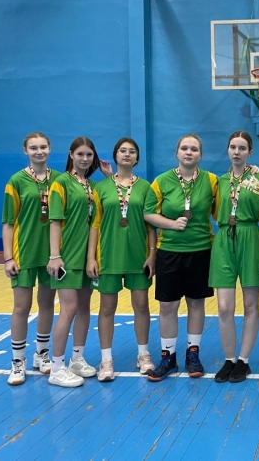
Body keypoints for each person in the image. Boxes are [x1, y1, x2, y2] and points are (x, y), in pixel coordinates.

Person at [145, 134, 218, 381]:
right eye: (184, 148)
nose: (189, 152)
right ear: (177, 152)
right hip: (169, 252)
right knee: (168, 306)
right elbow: (148, 213)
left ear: (200, 155)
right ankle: (168, 357)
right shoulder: (161, 181)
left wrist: (253, 171)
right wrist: (170, 224)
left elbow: (232, 193)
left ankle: (192, 354)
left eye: (194, 149)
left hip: (201, 250)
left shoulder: (211, 180)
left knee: (196, 303)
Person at [209, 130, 259, 383]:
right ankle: (229, 359)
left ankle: (244, 360)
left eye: (242, 148)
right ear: (228, 150)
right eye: (233, 147)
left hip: (251, 238)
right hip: (223, 239)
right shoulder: (218, 181)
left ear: (250, 152)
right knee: (224, 307)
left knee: (251, 305)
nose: (237, 152)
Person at [86, 138, 157, 382]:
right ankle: (106, 360)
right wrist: (91, 257)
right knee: (107, 308)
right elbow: (95, 225)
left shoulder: (146, 187)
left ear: (137, 158)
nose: (127, 154)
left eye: (132, 151)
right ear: (116, 156)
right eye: (123, 151)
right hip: (108, 256)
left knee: (142, 306)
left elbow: (151, 225)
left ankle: (143, 355)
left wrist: (152, 254)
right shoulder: (101, 188)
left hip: (138, 257)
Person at [45, 137, 111, 387]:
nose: (85, 158)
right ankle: (56, 368)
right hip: (66, 258)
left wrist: (109, 177)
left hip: (87, 258)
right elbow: (55, 221)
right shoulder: (61, 183)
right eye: (81, 154)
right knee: (69, 309)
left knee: (84, 308)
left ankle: (77, 359)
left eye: (89, 155)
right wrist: (55, 255)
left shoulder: (93, 186)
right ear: (71, 155)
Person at [2, 132, 57, 385]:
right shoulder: (16, 181)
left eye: (43, 147)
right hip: (24, 253)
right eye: (34, 148)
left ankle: (42, 354)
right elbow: (8, 222)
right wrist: (8, 258)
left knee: (47, 304)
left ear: (50, 149)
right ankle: (17, 361)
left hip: (51, 254)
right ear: (26, 151)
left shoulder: (59, 180)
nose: (39, 151)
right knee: (21, 307)